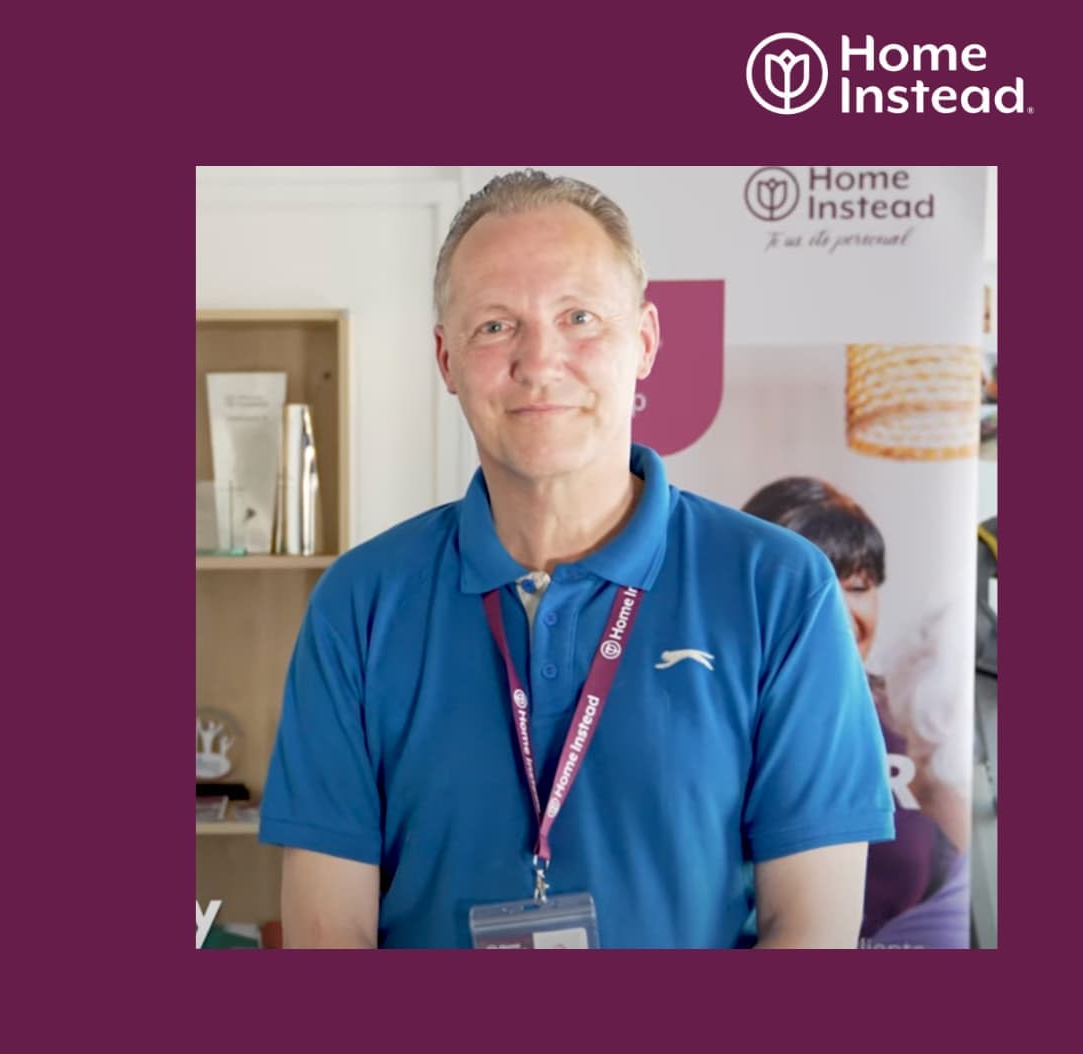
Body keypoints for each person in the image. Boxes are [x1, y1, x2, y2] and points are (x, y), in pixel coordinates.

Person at [260, 170, 894, 948]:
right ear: (446, 359)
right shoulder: (359, 603)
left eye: (579, 317)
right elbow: (328, 934)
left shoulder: (780, 590)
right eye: (495, 326)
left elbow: (813, 934)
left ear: (647, 341)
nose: (539, 360)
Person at [741, 477, 969, 946]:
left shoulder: (922, 724)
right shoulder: (711, 720)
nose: (839, 613)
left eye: (858, 586)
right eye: (810, 584)